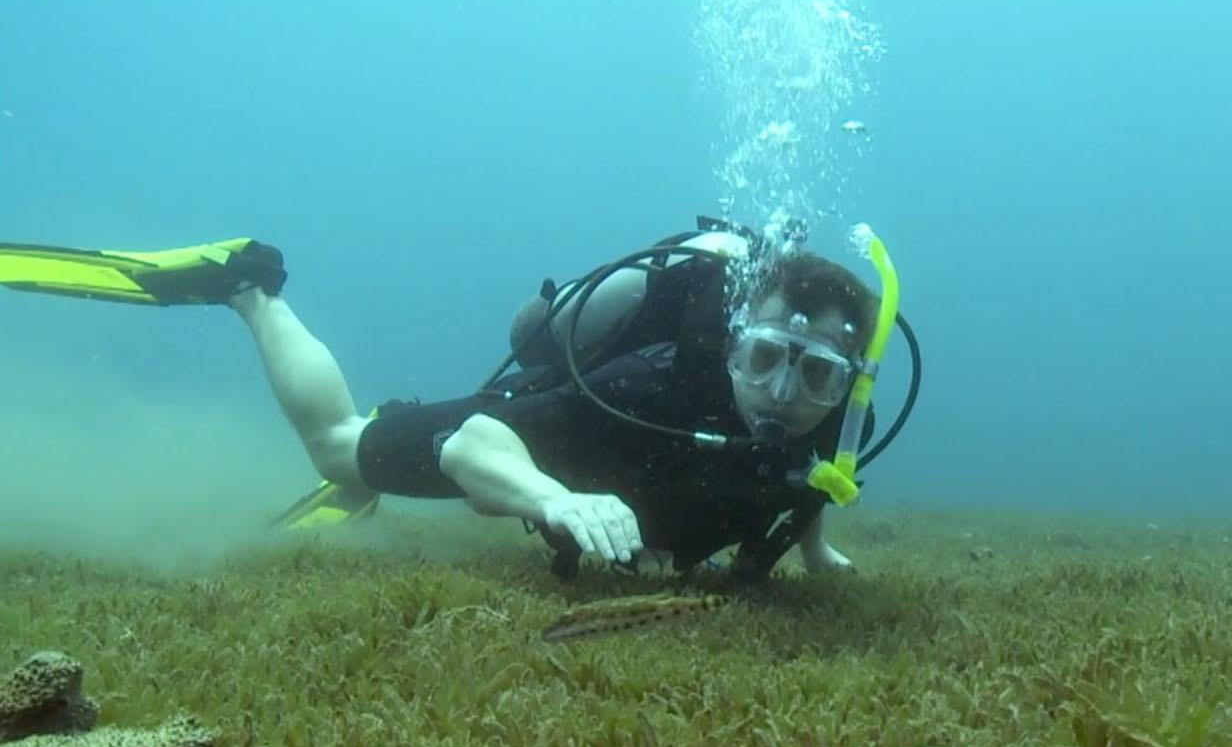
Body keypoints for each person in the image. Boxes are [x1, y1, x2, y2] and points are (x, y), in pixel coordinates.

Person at [0, 219, 921, 580]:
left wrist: (818, 547)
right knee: (337, 443)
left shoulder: (843, 419)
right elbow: (475, 441)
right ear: (732, 341)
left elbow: (808, 478)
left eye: (814, 376)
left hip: (578, 490)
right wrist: (555, 498)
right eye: (763, 357)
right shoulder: (643, 387)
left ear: (848, 381)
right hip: (532, 453)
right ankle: (245, 285)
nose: (780, 395)